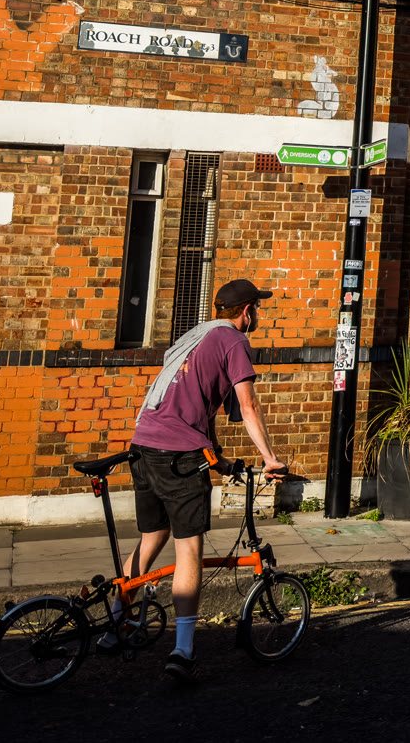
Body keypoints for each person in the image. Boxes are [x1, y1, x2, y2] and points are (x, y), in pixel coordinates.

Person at [127, 278, 285, 681]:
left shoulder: (196, 336)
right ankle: (183, 650)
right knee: (189, 550)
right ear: (247, 311)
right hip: (178, 457)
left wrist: (216, 458)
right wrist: (270, 459)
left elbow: (194, 405)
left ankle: (117, 625)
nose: (257, 315)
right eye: (257, 308)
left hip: (143, 446)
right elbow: (248, 405)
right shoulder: (234, 341)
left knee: (151, 538)